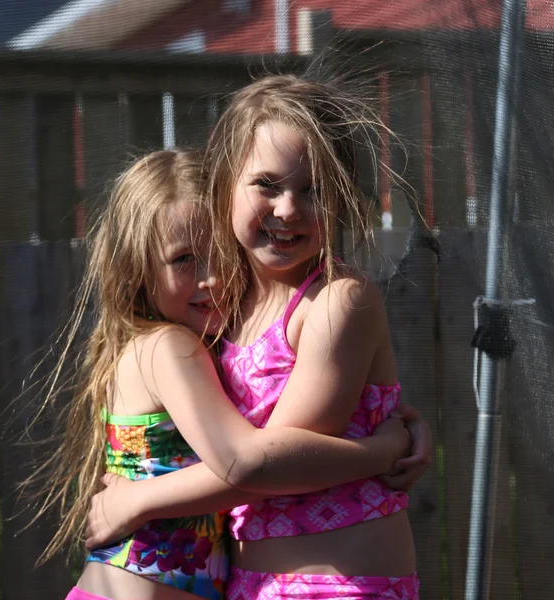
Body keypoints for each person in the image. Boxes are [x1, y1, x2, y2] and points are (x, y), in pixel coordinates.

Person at [85, 74, 432, 600]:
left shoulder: (335, 301)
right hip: (249, 584)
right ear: (227, 184)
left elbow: (268, 467)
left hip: (338, 584)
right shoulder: (225, 310)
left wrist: (139, 500)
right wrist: (389, 443)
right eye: (267, 184)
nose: (288, 208)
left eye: (312, 189)